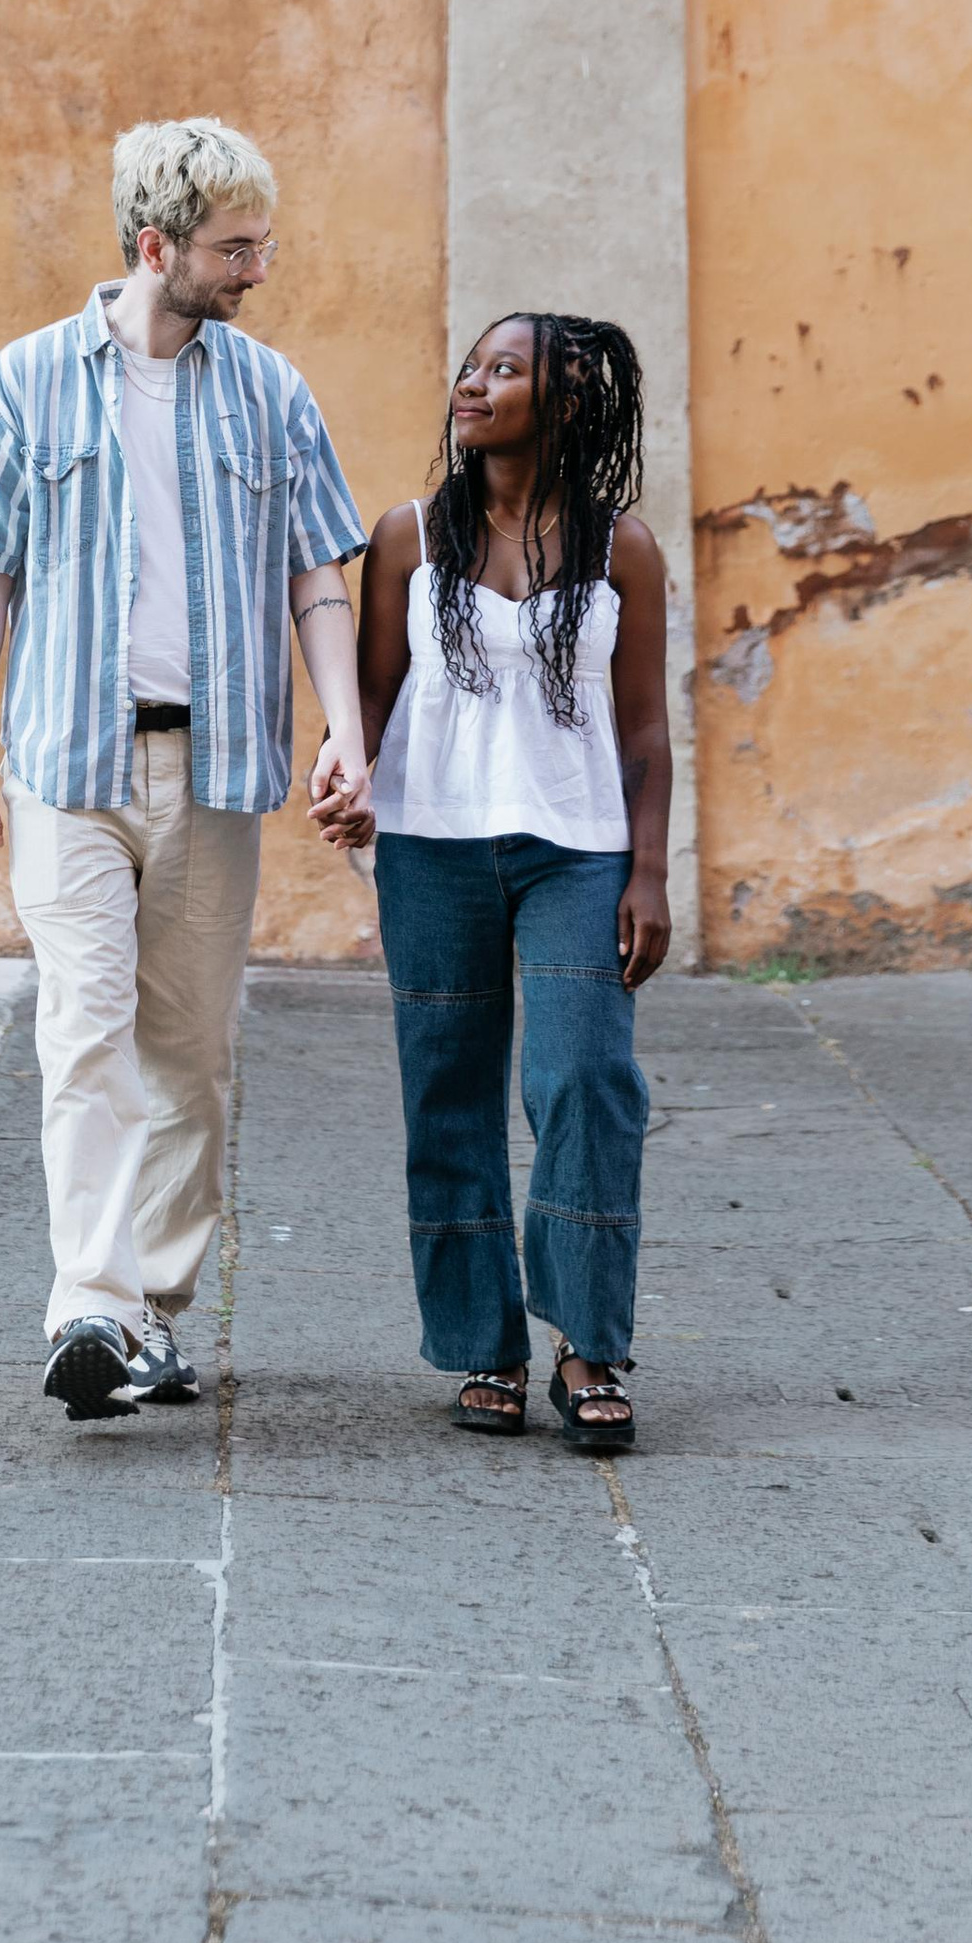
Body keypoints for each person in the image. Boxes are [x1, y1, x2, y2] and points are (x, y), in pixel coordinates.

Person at [0, 119, 370, 1419]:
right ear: (155, 245)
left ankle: (152, 1312)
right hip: (67, 763)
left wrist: (345, 729)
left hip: (216, 768)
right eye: (236, 248)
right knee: (85, 1030)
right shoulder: (25, 382)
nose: (258, 270)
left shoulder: (270, 392)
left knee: (187, 1057)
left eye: (263, 243)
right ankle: (91, 1307)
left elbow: (314, 576)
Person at [313, 314, 672, 1449]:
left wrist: (649, 872)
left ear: (564, 401)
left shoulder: (625, 549)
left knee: (585, 1079)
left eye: (503, 371)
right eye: (471, 367)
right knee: (449, 1091)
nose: (472, 385)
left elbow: (648, 730)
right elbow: (367, 698)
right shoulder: (409, 535)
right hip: (432, 845)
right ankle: (484, 1344)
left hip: (578, 849)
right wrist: (345, 767)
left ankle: (588, 1342)